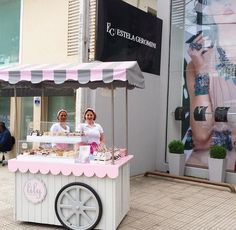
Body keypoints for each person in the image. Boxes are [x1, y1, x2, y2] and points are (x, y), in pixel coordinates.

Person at [185, 0, 236, 169]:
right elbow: (200, 135)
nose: (228, 3)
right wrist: (201, 70)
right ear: (211, 9)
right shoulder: (197, 63)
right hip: (203, 167)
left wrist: (216, 139)